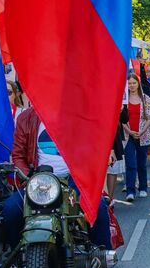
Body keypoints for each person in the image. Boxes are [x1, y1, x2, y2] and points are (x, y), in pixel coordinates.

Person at [11, 105, 114, 249]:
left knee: (98, 208)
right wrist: (29, 177)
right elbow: (18, 155)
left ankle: (104, 257)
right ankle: (18, 258)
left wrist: (102, 154)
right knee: (11, 210)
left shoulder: (78, 114)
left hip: (75, 179)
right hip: (39, 181)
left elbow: (93, 142)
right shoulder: (26, 118)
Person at [122, 73, 150, 199]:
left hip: (143, 135)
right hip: (127, 135)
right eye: (129, 83)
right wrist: (130, 132)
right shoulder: (123, 99)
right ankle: (130, 190)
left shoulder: (145, 99)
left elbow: (149, 118)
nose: (132, 85)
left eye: (134, 83)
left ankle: (143, 187)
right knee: (130, 164)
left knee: (141, 163)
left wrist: (141, 131)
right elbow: (120, 119)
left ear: (138, 84)